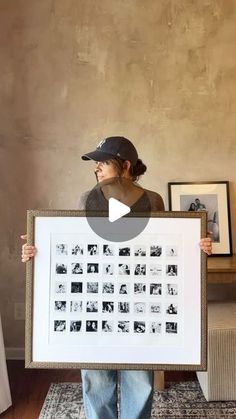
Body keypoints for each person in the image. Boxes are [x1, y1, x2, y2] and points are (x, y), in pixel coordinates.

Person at [21, 136, 212, 419]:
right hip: (96, 301)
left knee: (139, 379)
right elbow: (77, 248)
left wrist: (197, 247)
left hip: (141, 304)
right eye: (95, 164)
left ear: (125, 166)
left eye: (103, 163)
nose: (96, 169)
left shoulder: (152, 200)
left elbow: (166, 248)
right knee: (96, 379)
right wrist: (39, 249)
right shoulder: (87, 199)